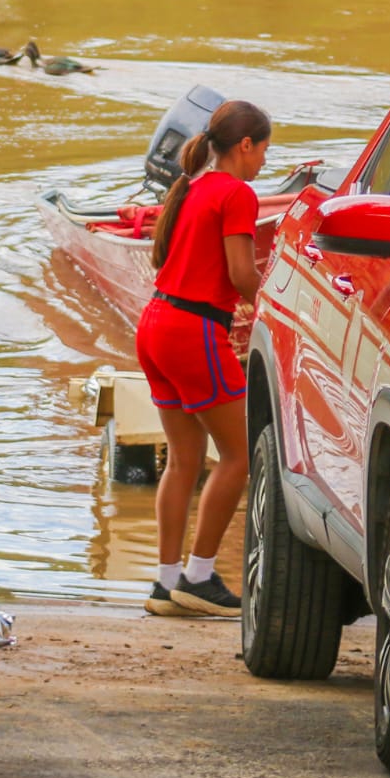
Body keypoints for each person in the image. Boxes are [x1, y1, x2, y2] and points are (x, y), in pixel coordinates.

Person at [137, 100, 272, 618]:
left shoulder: (191, 185)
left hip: (155, 325)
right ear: (244, 146)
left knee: (184, 458)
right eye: (263, 150)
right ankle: (200, 577)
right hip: (194, 330)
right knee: (238, 457)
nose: (263, 161)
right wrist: (274, 303)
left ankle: (165, 583)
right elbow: (241, 275)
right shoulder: (238, 193)